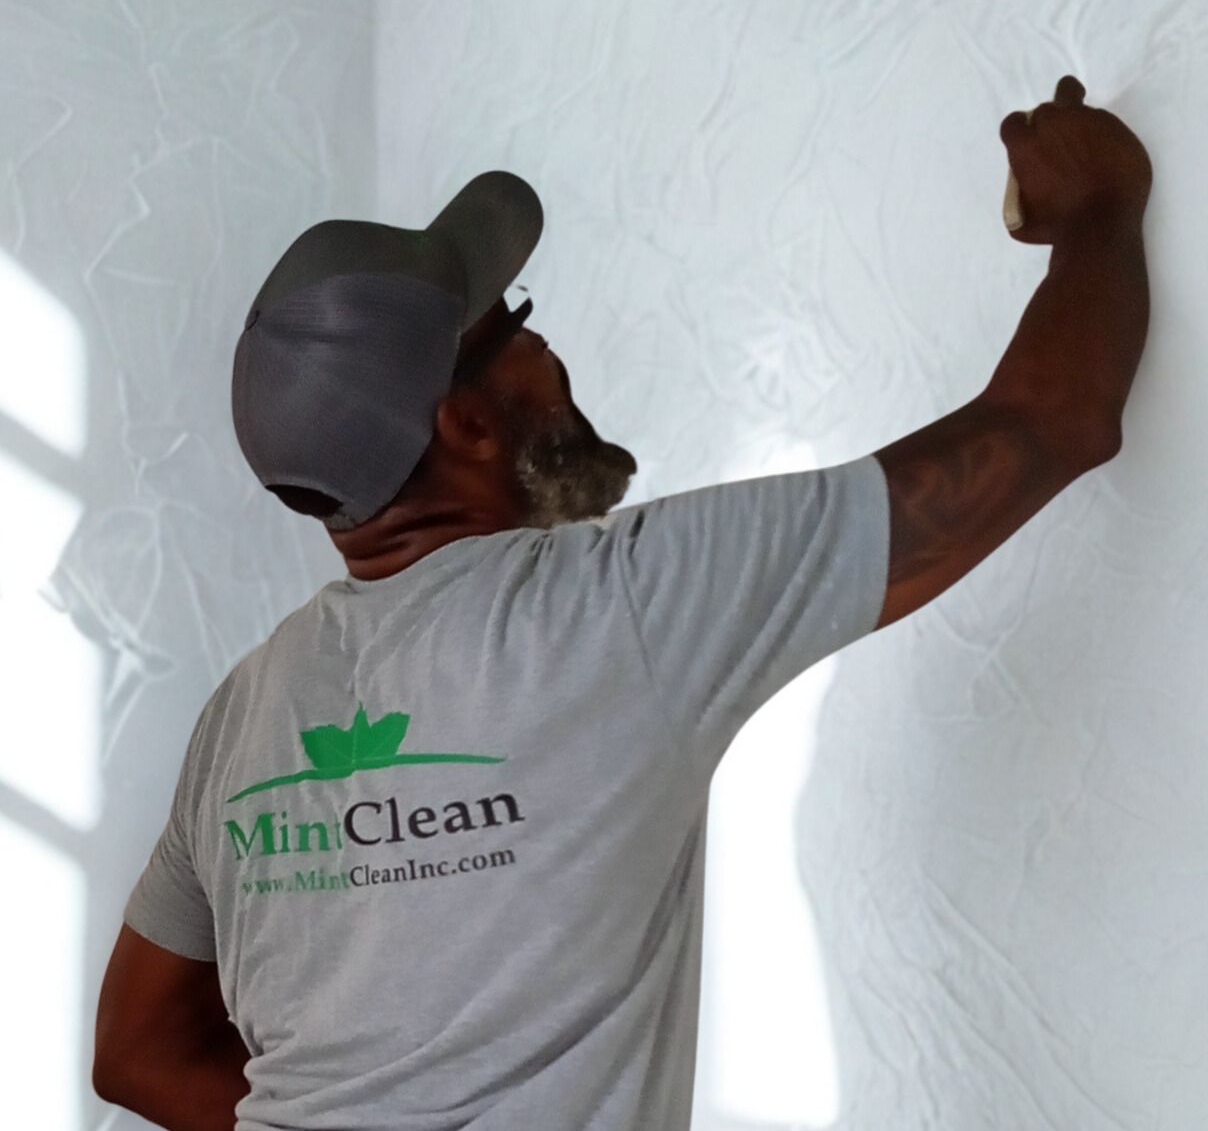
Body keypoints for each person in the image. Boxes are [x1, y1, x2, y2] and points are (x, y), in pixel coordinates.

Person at [93, 74, 1152, 1131]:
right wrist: (1099, 207)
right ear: (463, 425)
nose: (546, 349)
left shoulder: (241, 715)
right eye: (513, 327)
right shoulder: (620, 607)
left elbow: (138, 1054)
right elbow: (1050, 422)